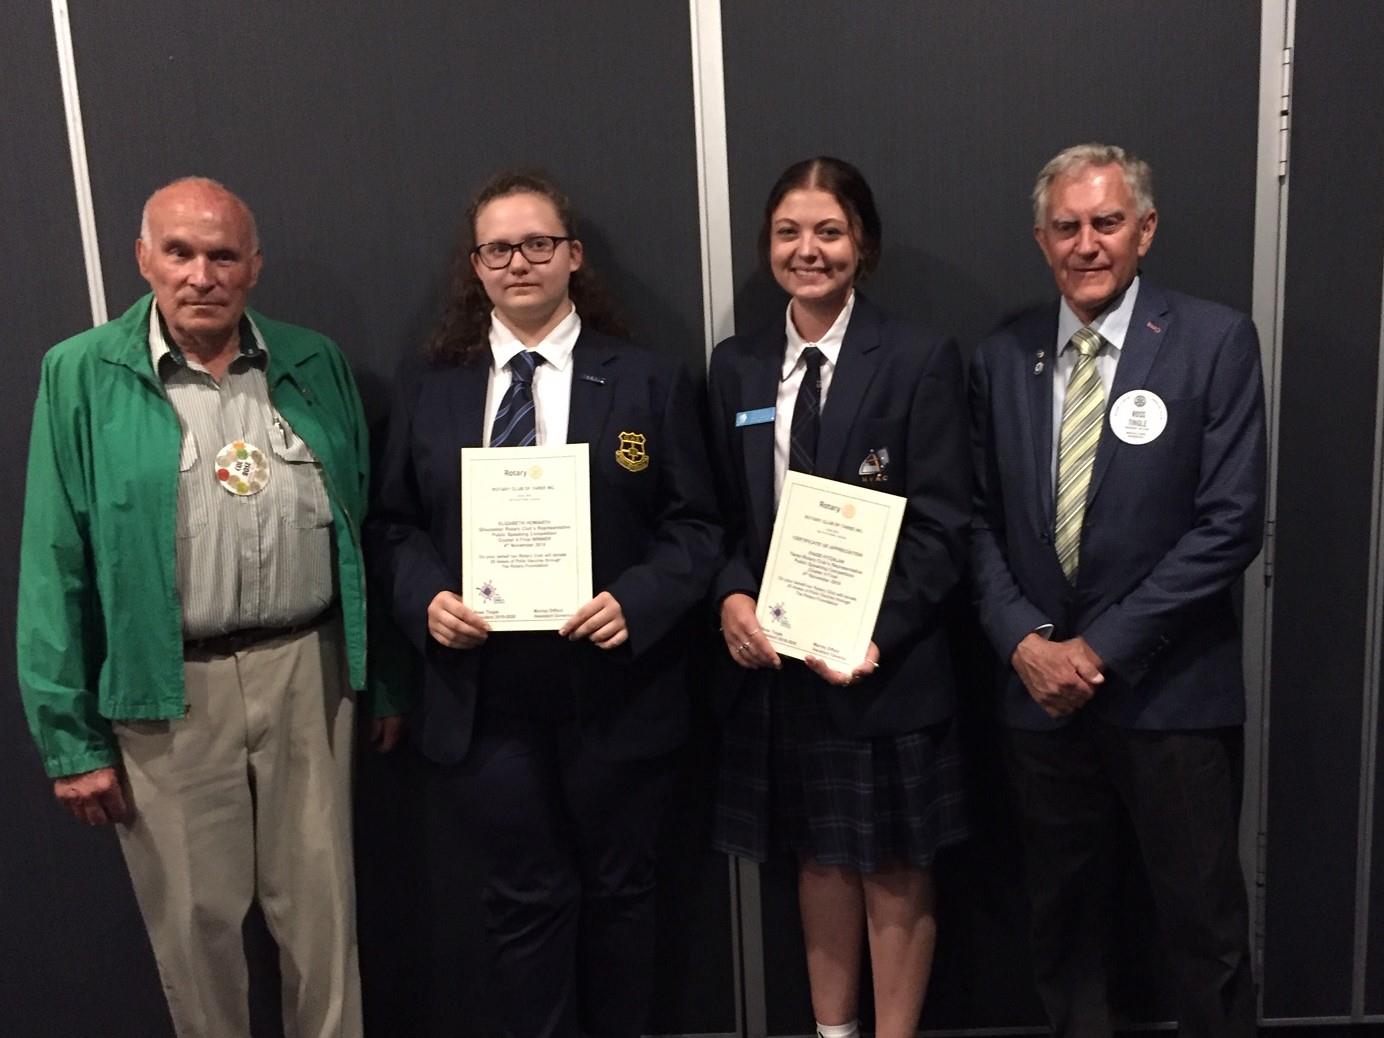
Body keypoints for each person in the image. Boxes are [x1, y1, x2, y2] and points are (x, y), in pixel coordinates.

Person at [16, 177, 404, 1037]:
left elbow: (365, 528)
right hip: (168, 693)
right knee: (195, 931)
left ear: (254, 266)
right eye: (180, 253)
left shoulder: (312, 361)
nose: (202, 275)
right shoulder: (81, 373)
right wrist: (69, 738)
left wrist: (384, 678)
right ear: (142, 258)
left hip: (309, 674)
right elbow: (54, 560)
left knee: (324, 919)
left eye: (223, 255)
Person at [367, 170, 721, 1038]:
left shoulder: (649, 380)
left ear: (574, 256)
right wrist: (426, 599)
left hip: (616, 685)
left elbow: (698, 524)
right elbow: (392, 524)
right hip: (484, 694)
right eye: (498, 249)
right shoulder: (429, 386)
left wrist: (637, 599)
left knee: (623, 893)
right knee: (522, 898)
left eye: (537, 244)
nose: (518, 262)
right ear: (475, 267)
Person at [970, 142, 1265, 1037]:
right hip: (1040, 701)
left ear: (1146, 228)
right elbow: (973, 521)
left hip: (1171, 693)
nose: (1086, 243)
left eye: (1106, 222)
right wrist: (1025, 642)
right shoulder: (1001, 355)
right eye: (1066, 226)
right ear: (1041, 239)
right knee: (1061, 925)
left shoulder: (1214, 342)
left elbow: (1230, 524)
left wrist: (1097, 650)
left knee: (1203, 929)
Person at [708, 156, 970, 1038]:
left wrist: (876, 634)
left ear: (863, 243)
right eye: (789, 232)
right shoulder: (738, 367)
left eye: (828, 231)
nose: (807, 250)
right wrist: (731, 597)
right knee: (818, 855)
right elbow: (717, 516)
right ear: (767, 245)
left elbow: (943, 525)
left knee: (893, 862)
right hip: (780, 665)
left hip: (886, 665)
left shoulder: (918, 357)